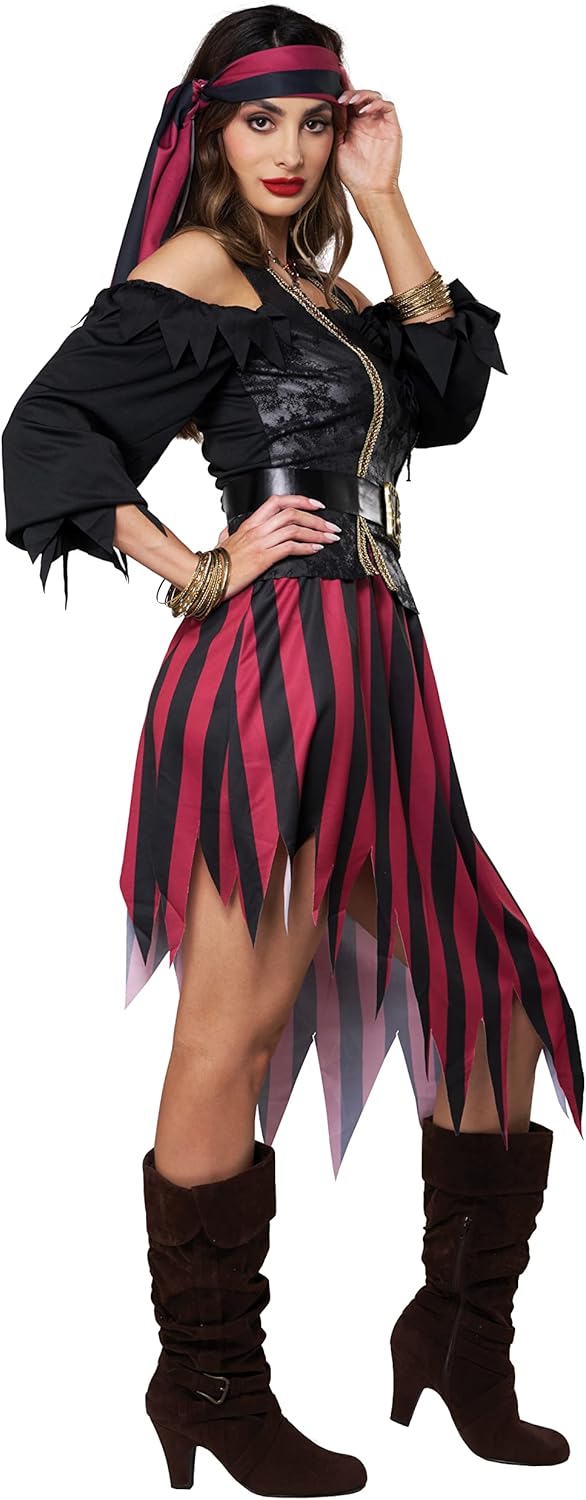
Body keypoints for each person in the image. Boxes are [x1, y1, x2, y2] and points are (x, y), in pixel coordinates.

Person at [2, 3, 583, 1490]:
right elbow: (45, 435)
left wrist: (387, 197)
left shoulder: (316, 284)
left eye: (314, 121)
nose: (291, 148)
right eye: (262, 120)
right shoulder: (195, 270)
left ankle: (458, 1338)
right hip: (271, 678)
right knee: (234, 1022)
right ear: (208, 128)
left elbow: (444, 403)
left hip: (381, 673)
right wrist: (196, 566)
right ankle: (206, 1380)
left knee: (494, 998)